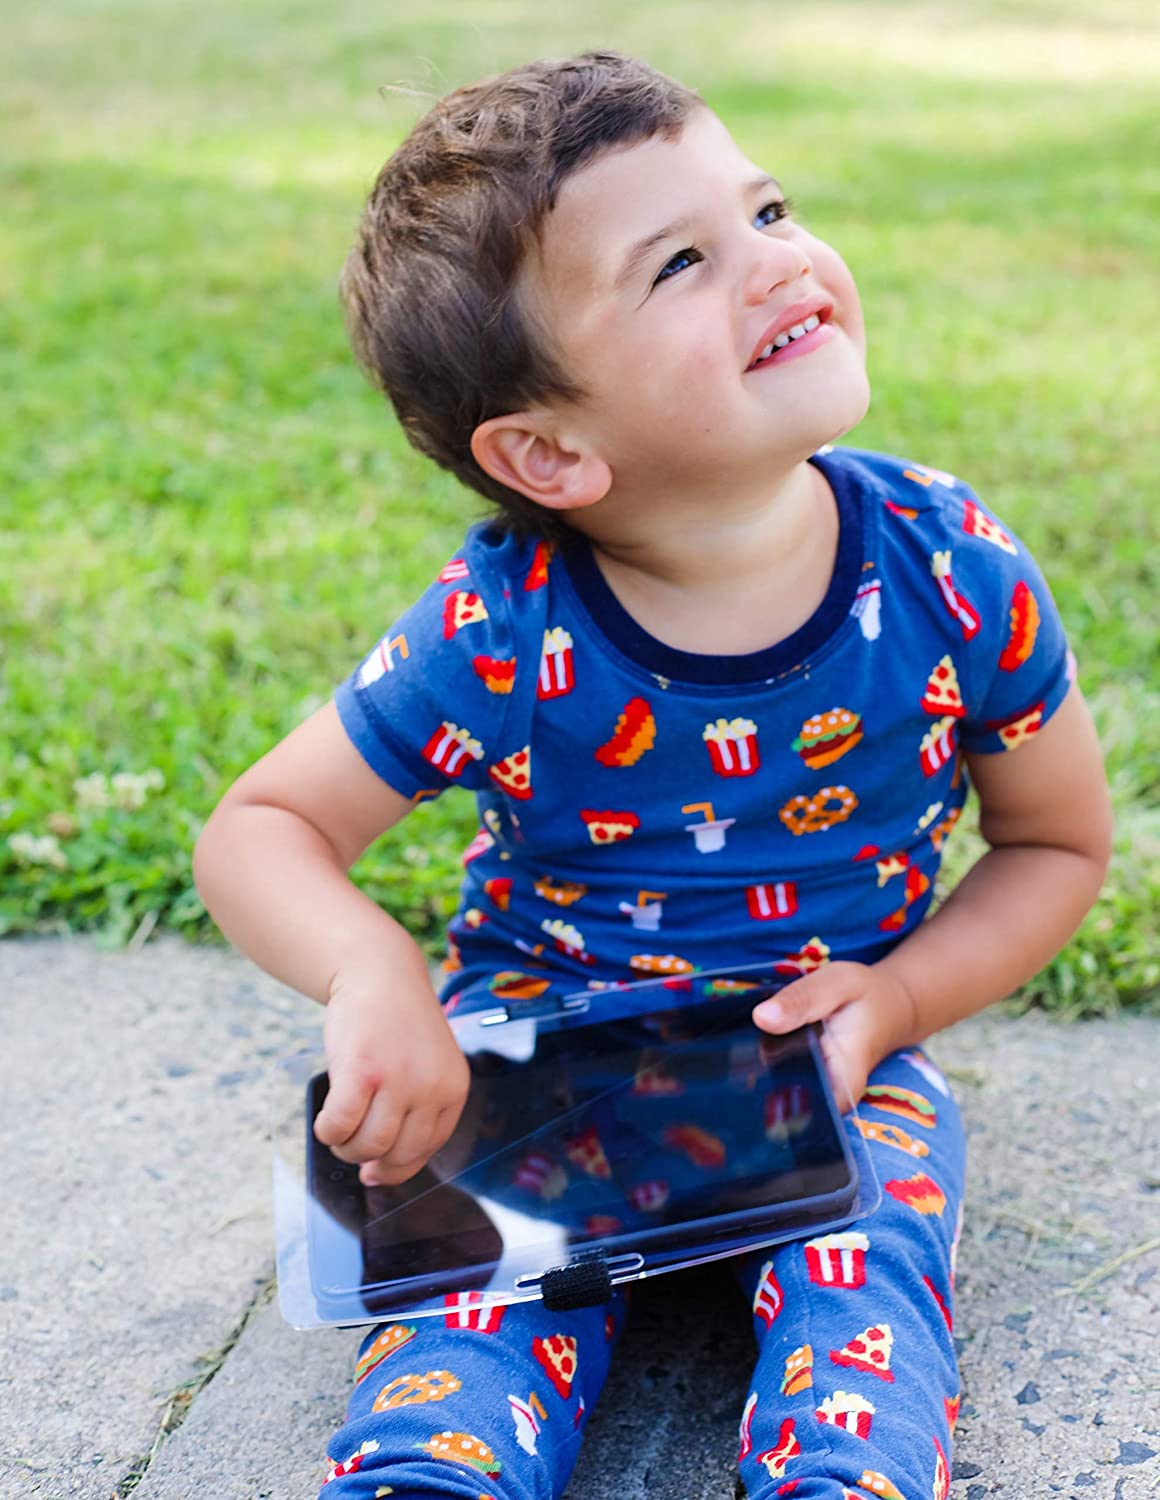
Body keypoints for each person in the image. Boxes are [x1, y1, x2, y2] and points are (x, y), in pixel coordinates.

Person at [193, 50, 1112, 1500]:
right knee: (461, 1319)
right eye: (682, 261)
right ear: (551, 451)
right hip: (544, 1052)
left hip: (825, 1056)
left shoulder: (954, 569)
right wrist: (374, 975)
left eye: (768, 208)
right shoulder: (505, 627)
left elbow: (1057, 847)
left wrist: (901, 1001)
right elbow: (263, 826)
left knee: (869, 1267)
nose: (778, 262)